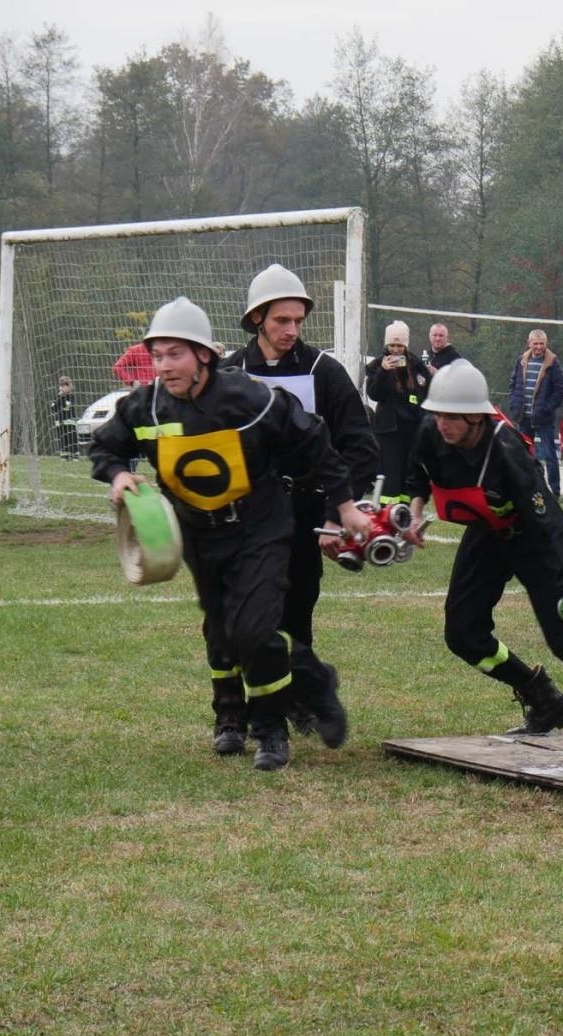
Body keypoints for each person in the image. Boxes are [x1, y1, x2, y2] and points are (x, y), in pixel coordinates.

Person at [90, 297, 372, 771]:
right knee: (224, 633)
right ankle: (293, 688)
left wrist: (343, 505)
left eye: (174, 354)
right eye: (157, 356)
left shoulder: (249, 398)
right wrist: (117, 473)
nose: (164, 366)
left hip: (259, 529)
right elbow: (105, 445)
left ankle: (270, 731)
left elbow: (315, 438)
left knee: (253, 630)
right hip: (198, 535)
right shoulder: (146, 407)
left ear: (203, 355)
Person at [403, 361, 563, 731]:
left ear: (476, 417)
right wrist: (414, 511)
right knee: (462, 634)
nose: (443, 424)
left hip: (530, 537)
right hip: (486, 534)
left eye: (452, 417)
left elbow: (549, 522)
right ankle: (541, 698)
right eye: (439, 414)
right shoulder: (430, 430)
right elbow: (417, 473)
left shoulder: (506, 450)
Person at [221, 262, 380, 751]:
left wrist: (338, 514)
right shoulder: (229, 373)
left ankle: (293, 698)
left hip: (307, 511)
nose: (291, 330)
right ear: (256, 320)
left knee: (296, 609)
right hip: (243, 515)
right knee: (237, 614)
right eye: (280, 321)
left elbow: (359, 446)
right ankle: (235, 717)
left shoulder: (323, 372)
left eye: (297, 321)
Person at [364, 320, 431, 503]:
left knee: (409, 474)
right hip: (388, 430)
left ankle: (406, 511)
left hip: (412, 428)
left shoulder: (417, 366)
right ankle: (387, 511)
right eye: (392, 345)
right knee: (390, 475)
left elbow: (425, 395)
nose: (395, 349)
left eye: (399, 345)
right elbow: (375, 394)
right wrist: (384, 372)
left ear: (406, 345)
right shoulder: (376, 366)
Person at [507, 329, 563, 494]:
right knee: (523, 454)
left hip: (543, 418)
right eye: (536, 343)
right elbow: (513, 384)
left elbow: (559, 391)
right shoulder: (521, 360)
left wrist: (546, 409)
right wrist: (514, 404)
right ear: (529, 343)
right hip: (523, 417)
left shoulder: (553, 362)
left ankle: (554, 490)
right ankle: (525, 487)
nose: (539, 347)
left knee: (550, 456)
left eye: (542, 343)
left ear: (546, 344)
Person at [53, 375, 79, 459]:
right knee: (62, 439)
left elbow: (66, 406)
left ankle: (75, 455)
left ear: (68, 387)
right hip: (60, 421)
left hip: (69, 421)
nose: (62, 388)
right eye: (61, 386)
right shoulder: (59, 397)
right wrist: (59, 398)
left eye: (64, 386)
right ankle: (64, 455)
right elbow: (54, 407)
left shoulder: (70, 396)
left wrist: (62, 398)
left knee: (71, 438)